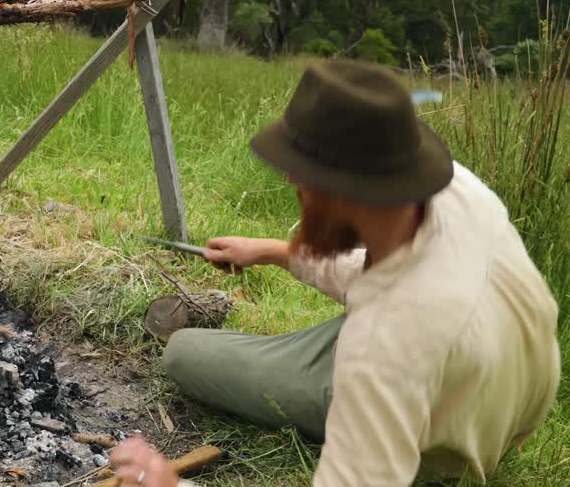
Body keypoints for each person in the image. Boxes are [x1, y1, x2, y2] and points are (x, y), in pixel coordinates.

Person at [111, 59, 560, 486]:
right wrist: (276, 252)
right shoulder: (456, 188)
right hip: (504, 393)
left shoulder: (382, 351)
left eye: (301, 172)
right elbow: (396, 281)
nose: (291, 182)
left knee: (186, 353)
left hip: (445, 440)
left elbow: (395, 333)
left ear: (343, 189)